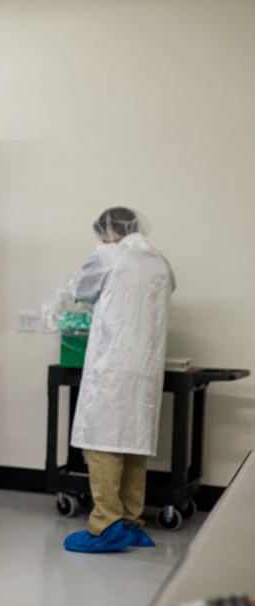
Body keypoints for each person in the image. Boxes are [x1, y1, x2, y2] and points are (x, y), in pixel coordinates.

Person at [64, 207, 175, 553]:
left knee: (103, 441)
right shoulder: (159, 261)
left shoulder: (108, 254)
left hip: (114, 364)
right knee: (134, 444)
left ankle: (106, 525)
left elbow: (82, 288)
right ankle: (131, 521)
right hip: (146, 368)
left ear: (110, 232)